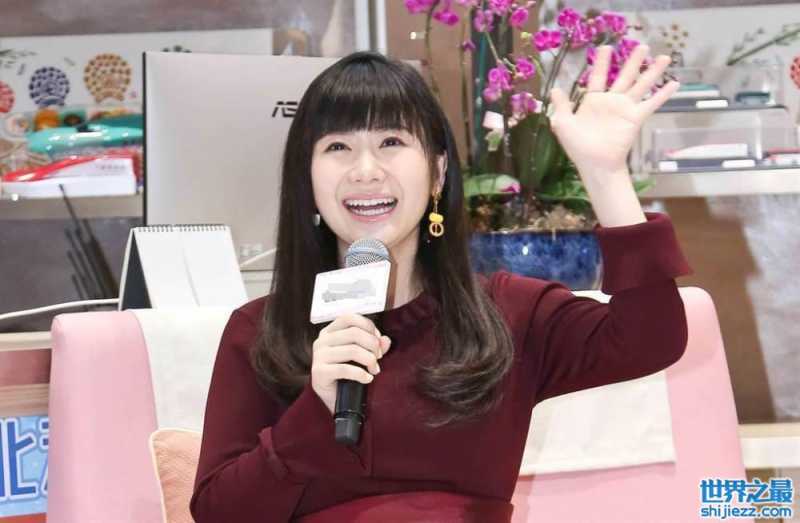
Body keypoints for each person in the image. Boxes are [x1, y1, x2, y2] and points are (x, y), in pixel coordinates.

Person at [190, 46, 692, 522]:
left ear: (437, 171)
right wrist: (313, 412)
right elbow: (218, 513)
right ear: (307, 178)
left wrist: (604, 175)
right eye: (338, 146)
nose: (365, 171)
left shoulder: (508, 313)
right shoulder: (260, 330)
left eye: (391, 142)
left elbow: (650, 339)